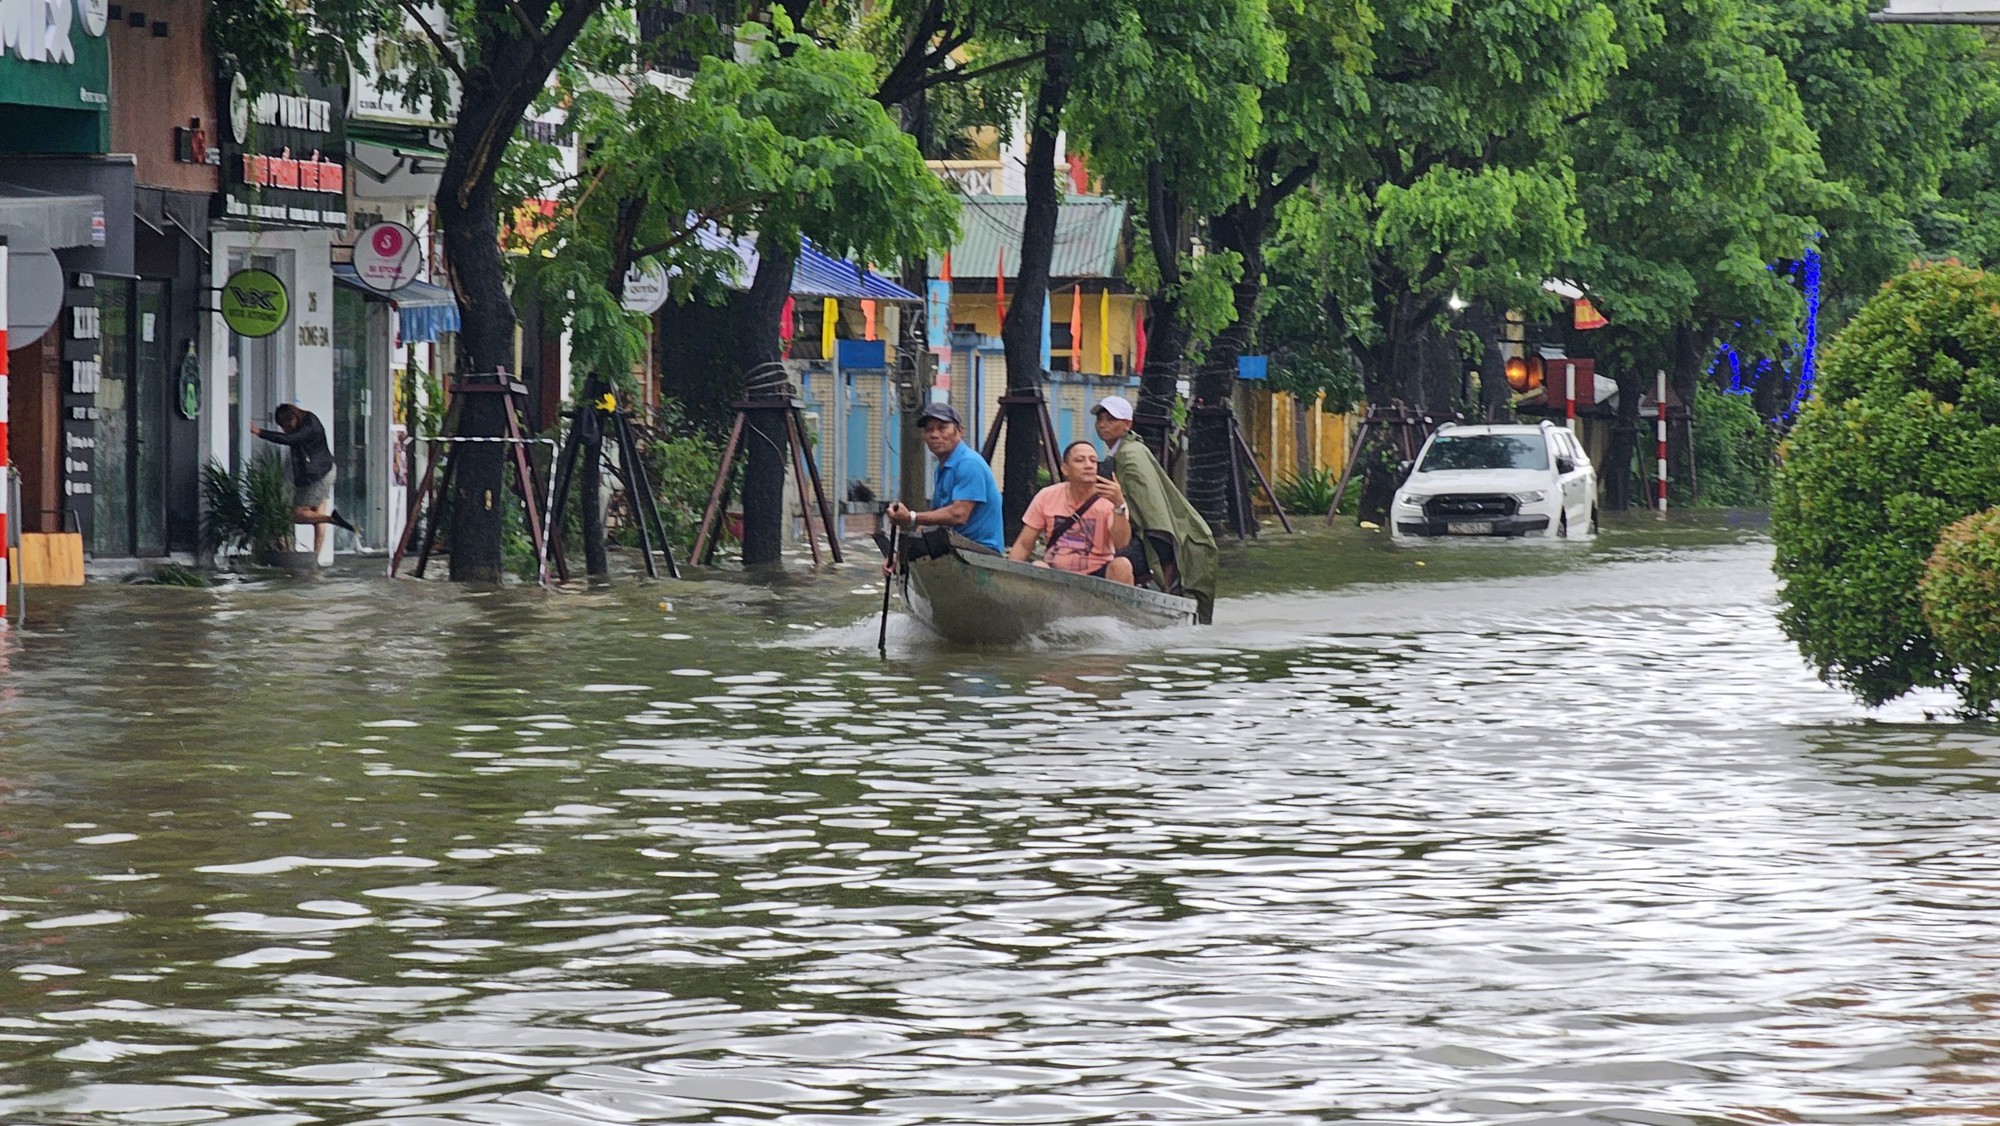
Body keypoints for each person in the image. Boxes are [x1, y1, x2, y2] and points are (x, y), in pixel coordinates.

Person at [1093, 394, 1218, 622]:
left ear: (1127, 424)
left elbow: (1153, 516)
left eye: (1110, 419)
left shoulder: (1130, 456)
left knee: (1104, 558)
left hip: (1151, 542)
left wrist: (1165, 565)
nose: (1103, 424)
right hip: (1139, 534)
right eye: (1100, 418)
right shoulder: (1123, 452)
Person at [1008, 440, 1136, 584]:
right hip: (1055, 572)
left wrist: (1119, 505)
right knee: (1038, 566)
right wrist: (1009, 581)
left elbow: (1122, 543)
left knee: (1122, 565)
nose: (1088, 465)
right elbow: (1024, 544)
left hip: (1097, 574)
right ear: (1065, 469)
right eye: (1080, 460)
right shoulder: (1047, 495)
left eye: (1093, 461)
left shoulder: (1110, 498)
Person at [886, 401, 1004, 553]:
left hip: (982, 552)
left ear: (959, 431)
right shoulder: (943, 467)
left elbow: (958, 515)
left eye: (942, 428)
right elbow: (935, 519)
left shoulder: (969, 463)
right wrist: (900, 557)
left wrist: (911, 517)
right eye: (929, 430)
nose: (935, 435)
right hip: (955, 547)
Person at [252, 403, 355, 559]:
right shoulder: (309, 421)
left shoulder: (308, 426)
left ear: (293, 417)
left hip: (318, 476)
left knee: (295, 514)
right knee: (317, 515)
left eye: (287, 426)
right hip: (323, 471)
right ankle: (316, 558)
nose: (286, 430)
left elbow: (290, 439)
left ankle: (332, 519)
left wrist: (259, 432)